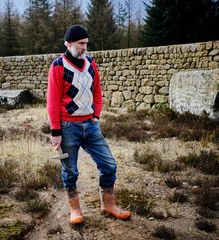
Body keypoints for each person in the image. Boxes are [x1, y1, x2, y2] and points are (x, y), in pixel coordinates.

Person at [47, 24, 132, 225]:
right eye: (80, 43)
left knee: (109, 165)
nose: (85, 47)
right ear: (68, 44)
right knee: (70, 172)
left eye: (86, 43)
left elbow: (97, 91)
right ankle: (75, 210)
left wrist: (97, 114)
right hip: (68, 127)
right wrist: (55, 131)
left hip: (91, 125)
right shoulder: (58, 67)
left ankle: (109, 205)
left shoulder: (90, 63)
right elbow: (52, 100)